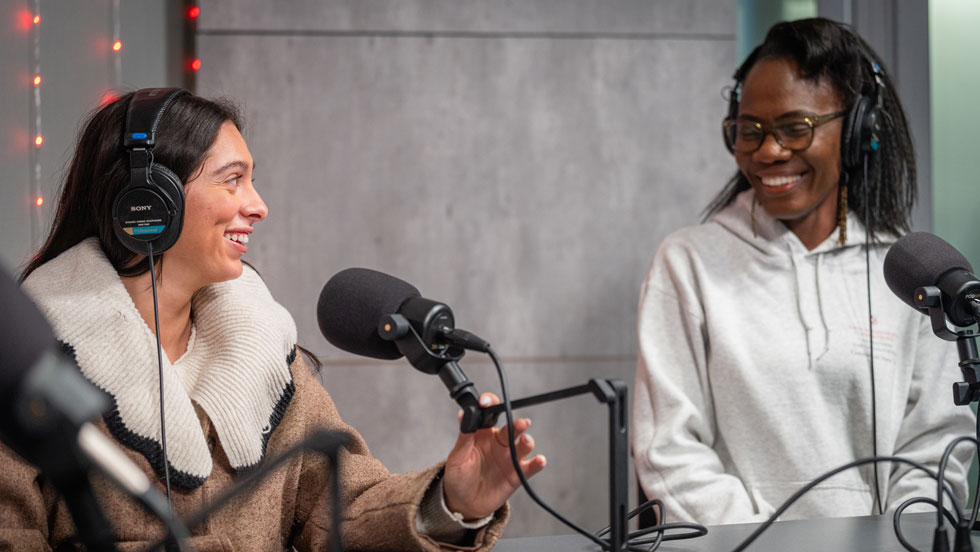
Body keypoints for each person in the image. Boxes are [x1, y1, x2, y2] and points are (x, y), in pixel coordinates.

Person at [0, 89, 546, 550]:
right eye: (232, 180)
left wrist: (451, 503)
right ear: (150, 202)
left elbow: (341, 509)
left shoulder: (263, 351)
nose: (258, 205)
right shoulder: (25, 362)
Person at [632, 18, 975, 526]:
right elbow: (671, 452)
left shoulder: (911, 272)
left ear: (858, 129)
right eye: (750, 130)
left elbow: (935, 445)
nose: (769, 151)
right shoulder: (688, 263)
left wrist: (901, 538)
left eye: (797, 128)